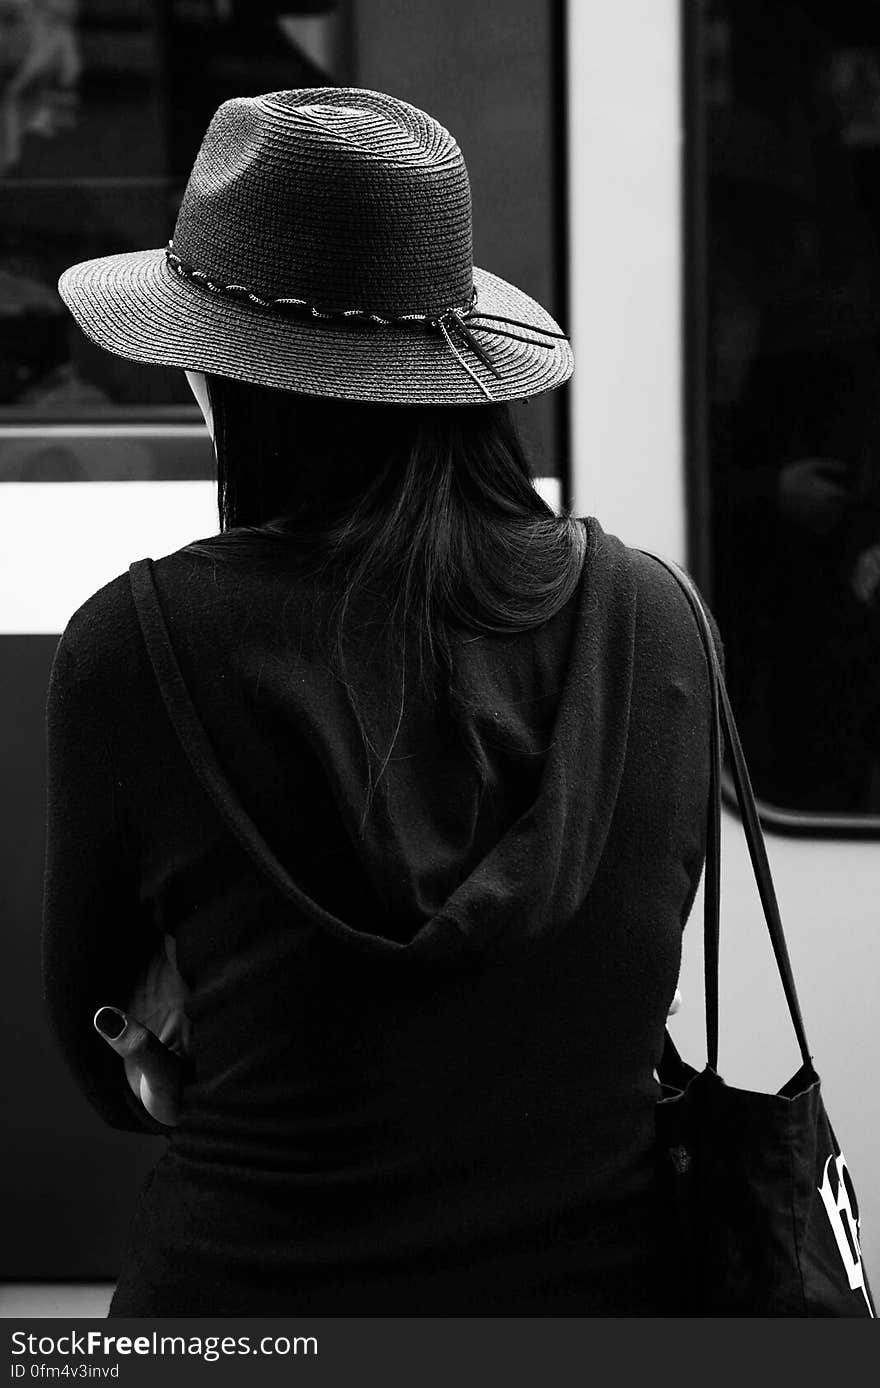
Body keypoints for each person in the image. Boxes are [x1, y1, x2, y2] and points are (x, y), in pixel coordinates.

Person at [43, 87, 714, 1316]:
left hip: (244, 1310)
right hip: (610, 1308)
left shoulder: (134, 644)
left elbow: (105, 1050)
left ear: (226, 376)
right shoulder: (652, 620)